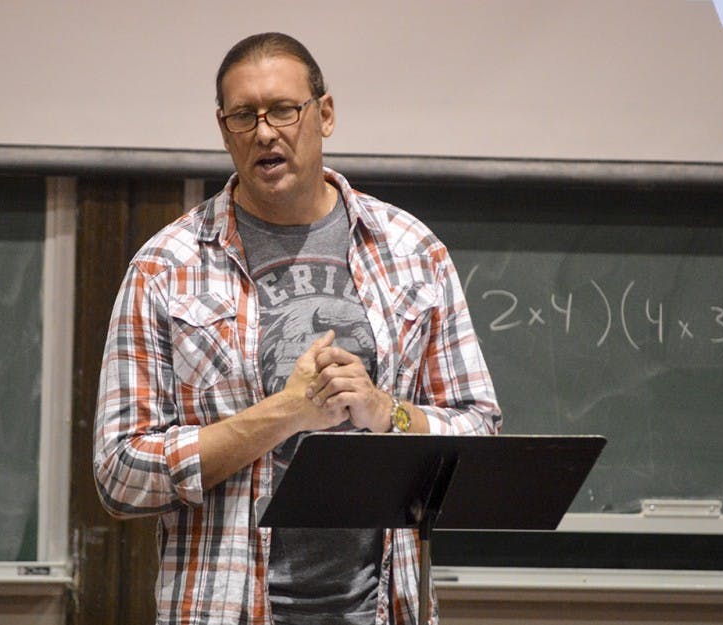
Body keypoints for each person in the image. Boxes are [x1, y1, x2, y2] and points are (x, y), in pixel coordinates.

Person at [93, 32, 501, 625]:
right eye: (243, 116)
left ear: (324, 114)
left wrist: (387, 412)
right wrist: (285, 413)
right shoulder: (166, 268)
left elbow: (480, 433)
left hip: (385, 611)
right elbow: (119, 474)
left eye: (284, 109)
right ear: (223, 128)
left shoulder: (413, 252)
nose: (264, 132)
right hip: (224, 609)